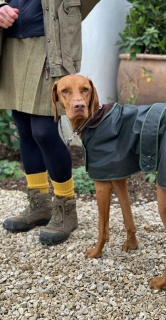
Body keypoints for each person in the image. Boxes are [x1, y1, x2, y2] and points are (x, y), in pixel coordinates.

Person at [0, 0, 100, 245]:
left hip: (50, 45)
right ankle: (40, 205)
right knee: (24, 128)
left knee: (44, 131)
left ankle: (66, 209)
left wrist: (67, 13)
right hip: (11, 41)